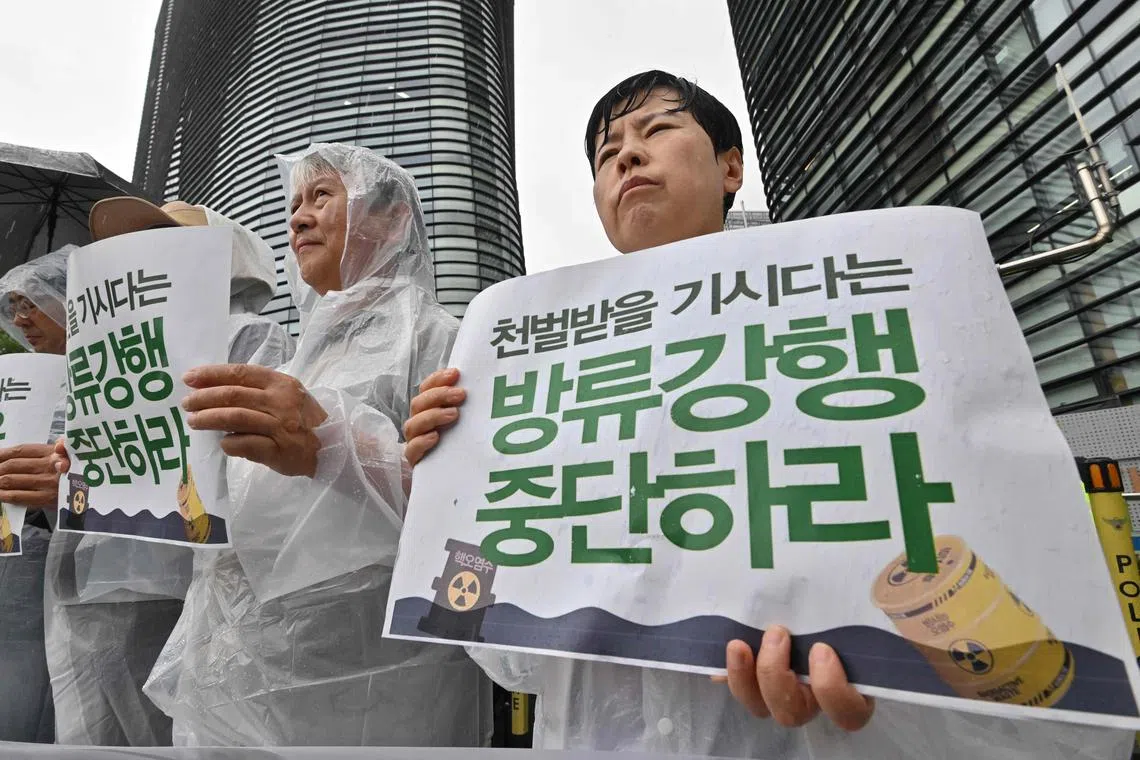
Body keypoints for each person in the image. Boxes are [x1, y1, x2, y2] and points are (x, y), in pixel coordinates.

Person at [402, 70, 1135, 758]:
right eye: (606, 153)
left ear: (730, 169)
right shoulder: (542, 378)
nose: (626, 155)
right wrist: (454, 490)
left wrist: (890, 682)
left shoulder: (847, 330)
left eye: (657, 130)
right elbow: (508, 655)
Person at [140, 143, 490, 746]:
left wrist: (328, 441)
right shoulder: (302, 353)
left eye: (322, 196)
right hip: (240, 665)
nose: (297, 217)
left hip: (371, 682)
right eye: (295, 202)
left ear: (393, 219)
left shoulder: (445, 342)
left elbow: (469, 516)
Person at [44, 199, 295, 746]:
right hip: (101, 571)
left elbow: (260, 465)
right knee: (98, 734)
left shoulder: (250, 335)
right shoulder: (108, 346)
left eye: (165, 234)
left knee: (176, 728)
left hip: (192, 576)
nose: (149, 247)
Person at [0, 246, 75, 743]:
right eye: (13, 307)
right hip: (13, 547)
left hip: (58, 551)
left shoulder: (99, 378)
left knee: (41, 674)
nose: (21, 318)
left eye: (33, 302)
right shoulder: (18, 380)